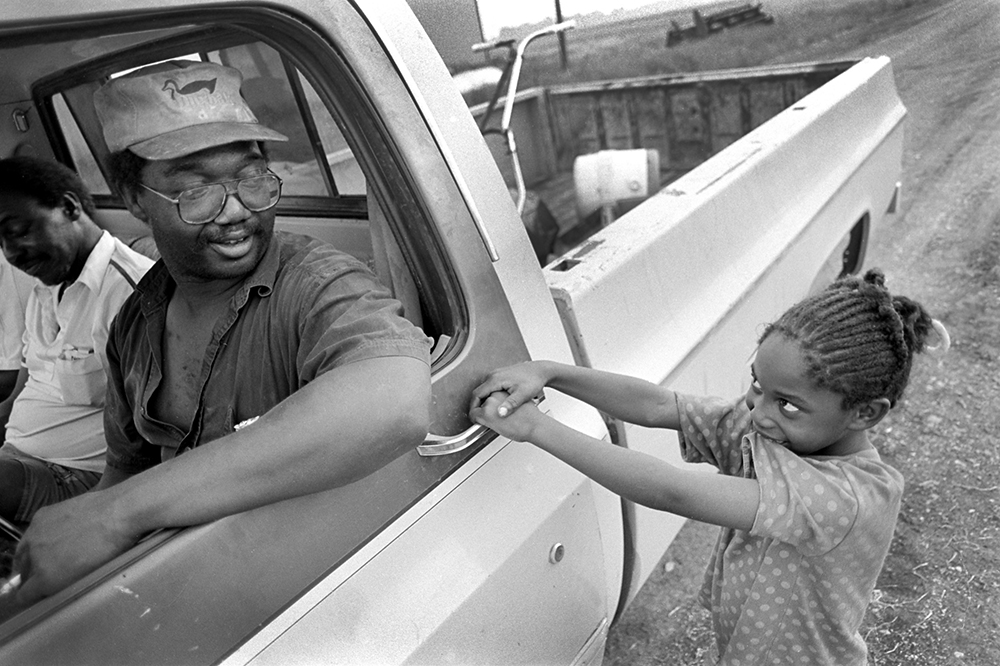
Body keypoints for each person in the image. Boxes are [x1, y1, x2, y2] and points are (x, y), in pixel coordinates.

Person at [7, 60, 432, 605]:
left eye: (252, 177)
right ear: (134, 199)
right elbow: (126, 466)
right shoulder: (136, 322)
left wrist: (116, 513)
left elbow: (393, 405)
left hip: (308, 588)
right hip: (183, 583)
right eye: (195, 190)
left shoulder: (316, 284)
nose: (235, 211)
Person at [470, 270, 948, 665]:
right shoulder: (765, 431)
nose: (760, 411)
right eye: (757, 384)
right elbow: (662, 405)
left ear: (865, 413)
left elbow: (675, 493)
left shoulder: (849, 498)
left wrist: (536, 428)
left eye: (789, 405)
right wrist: (552, 372)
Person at [0, 156, 154, 527]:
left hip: (74, 477)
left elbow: (150, 439)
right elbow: (29, 382)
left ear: (69, 207)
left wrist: (99, 516)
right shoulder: (48, 283)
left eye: (18, 230)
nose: (10, 253)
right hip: (15, 458)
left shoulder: (132, 295)